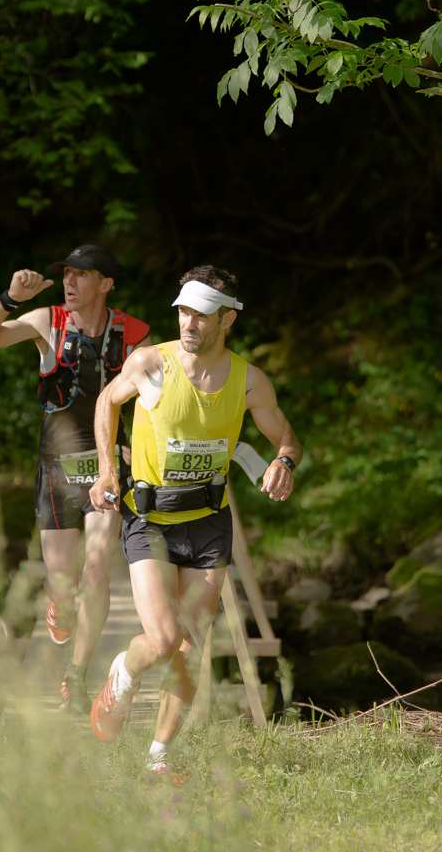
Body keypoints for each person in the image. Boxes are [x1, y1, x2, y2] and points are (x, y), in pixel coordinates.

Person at [88, 264, 302, 777]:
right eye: (183, 310)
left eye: (202, 314)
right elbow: (105, 402)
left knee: (189, 645)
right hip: (150, 518)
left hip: (209, 521)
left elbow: (287, 437)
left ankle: (158, 756)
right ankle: (122, 673)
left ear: (227, 319)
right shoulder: (150, 363)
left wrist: (284, 463)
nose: (189, 322)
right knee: (161, 640)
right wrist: (105, 471)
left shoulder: (250, 381)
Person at [0, 244, 150, 714]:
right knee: (63, 582)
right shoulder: (48, 322)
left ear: (106, 284)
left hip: (108, 468)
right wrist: (10, 299)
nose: (69, 282)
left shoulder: (136, 336)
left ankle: (76, 674)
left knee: (97, 571)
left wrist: (137, 450)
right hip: (56, 471)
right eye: (66, 274)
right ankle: (59, 609)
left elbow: (156, 403)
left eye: (81, 275)